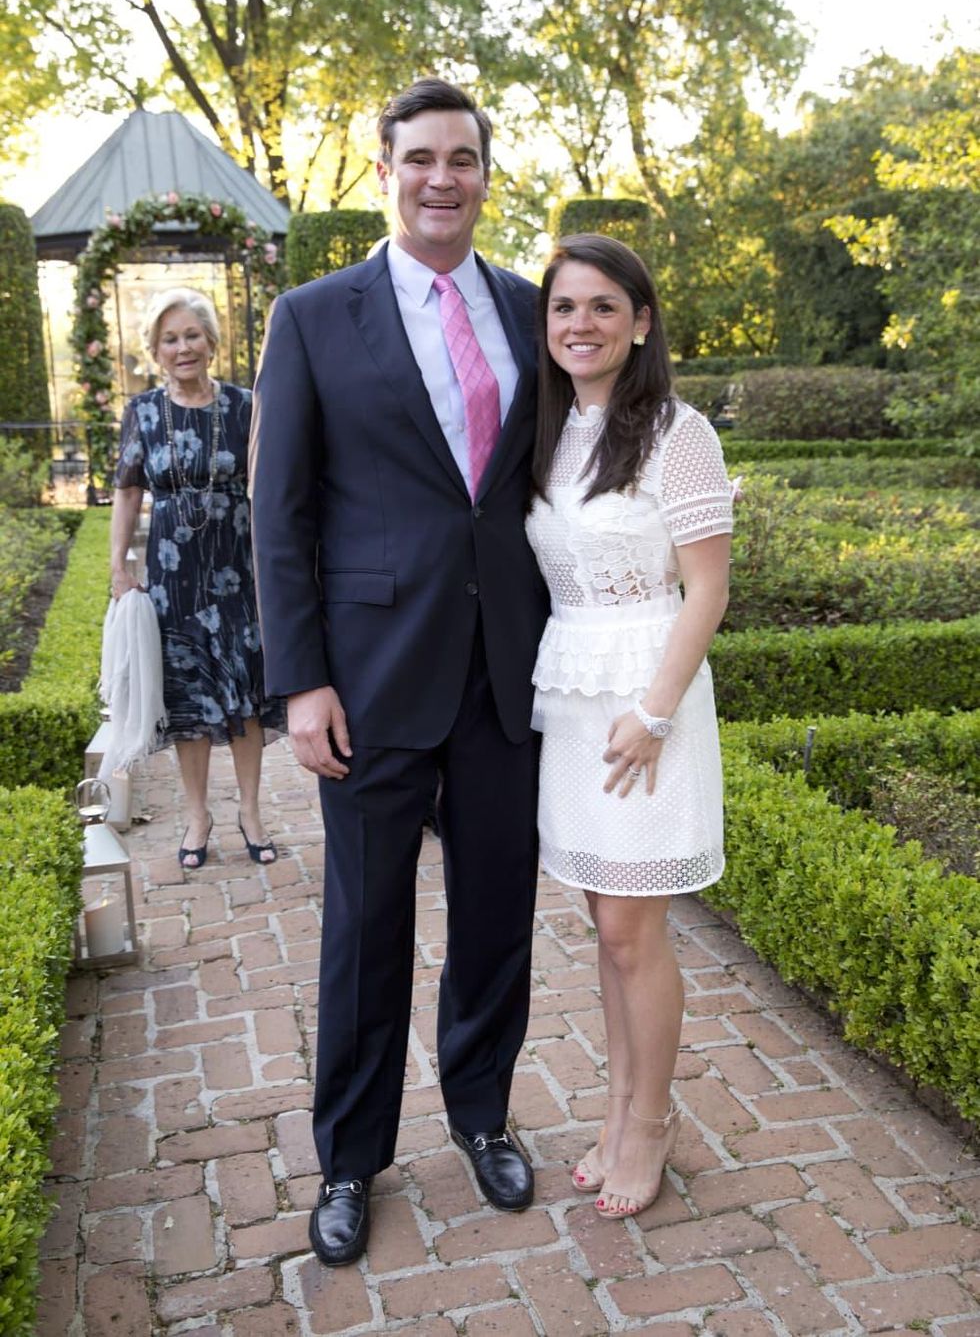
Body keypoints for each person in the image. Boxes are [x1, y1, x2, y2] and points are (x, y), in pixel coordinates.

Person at [249, 79, 549, 1267]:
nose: (441, 178)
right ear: (382, 172)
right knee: (364, 928)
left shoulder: (531, 311)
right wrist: (300, 680)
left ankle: (479, 1113)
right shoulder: (315, 315)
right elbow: (280, 515)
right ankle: (349, 1157)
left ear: (484, 174)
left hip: (506, 671)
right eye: (419, 158)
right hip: (366, 682)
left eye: (461, 159)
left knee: (495, 918)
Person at [526, 235, 733, 1221]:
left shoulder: (675, 431)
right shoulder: (547, 428)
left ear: (639, 321)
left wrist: (652, 713)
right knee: (600, 927)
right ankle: (617, 1110)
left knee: (628, 926)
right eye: (564, 307)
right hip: (570, 694)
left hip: (646, 695)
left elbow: (708, 588)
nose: (581, 324)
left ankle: (649, 1123)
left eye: (602, 306)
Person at [111, 287, 285, 869]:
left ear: (211, 341)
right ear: (154, 351)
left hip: (240, 569)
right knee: (187, 699)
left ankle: (251, 811)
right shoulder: (141, 412)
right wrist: (119, 565)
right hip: (171, 576)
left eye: (191, 335)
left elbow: (269, 486)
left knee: (244, 695)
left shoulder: (244, 406)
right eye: (170, 339)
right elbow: (129, 489)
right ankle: (196, 815)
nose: (182, 347)